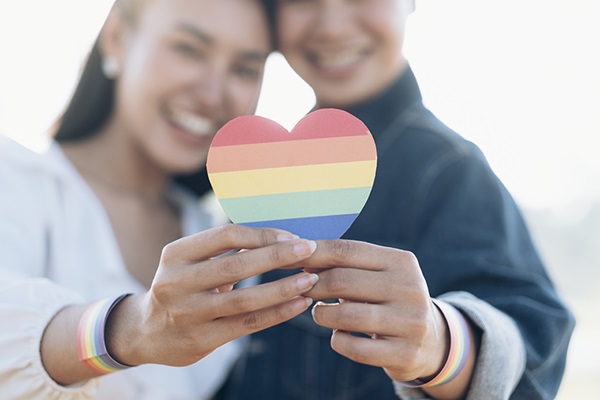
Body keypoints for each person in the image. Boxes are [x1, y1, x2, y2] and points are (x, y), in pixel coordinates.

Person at [215, 0, 575, 399]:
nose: (332, 27)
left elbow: (533, 336)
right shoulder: (256, 171)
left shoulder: (448, 169)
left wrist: (442, 344)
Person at [0, 0, 322, 398]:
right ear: (117, 36)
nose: (212, 93)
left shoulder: (226, 241)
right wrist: (127, 330)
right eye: (188, 49)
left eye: (244, 69)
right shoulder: (14, 179)